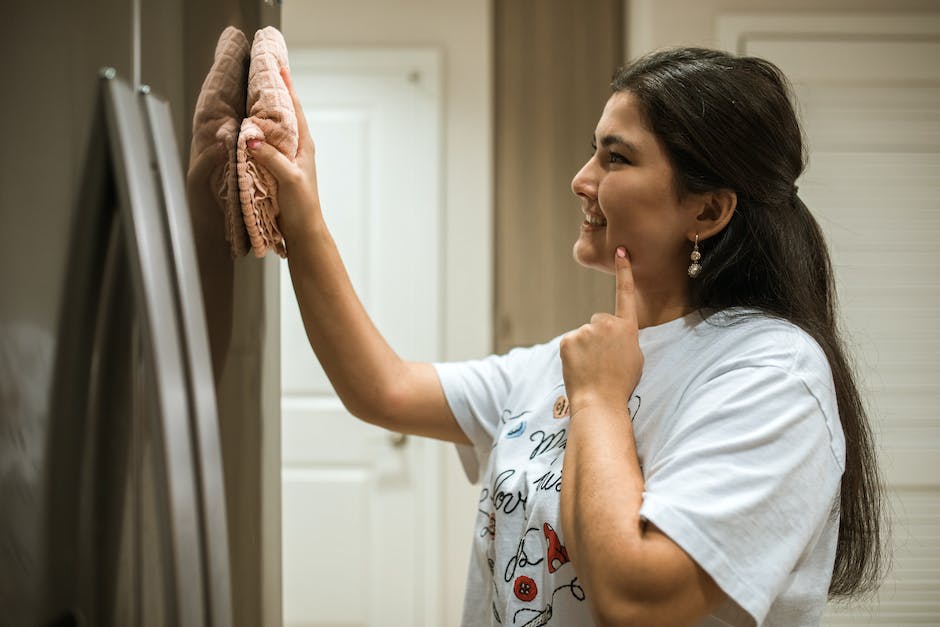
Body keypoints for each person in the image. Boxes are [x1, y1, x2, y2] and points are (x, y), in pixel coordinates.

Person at [247, 46, 884, 627]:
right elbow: (381, 390)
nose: (582, 179)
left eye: (617, 157)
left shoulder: (771, 374)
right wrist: (303, 221)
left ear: (709, 210)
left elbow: (636, 599)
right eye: (594, 151)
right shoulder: (578, 358)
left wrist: (599, 402)